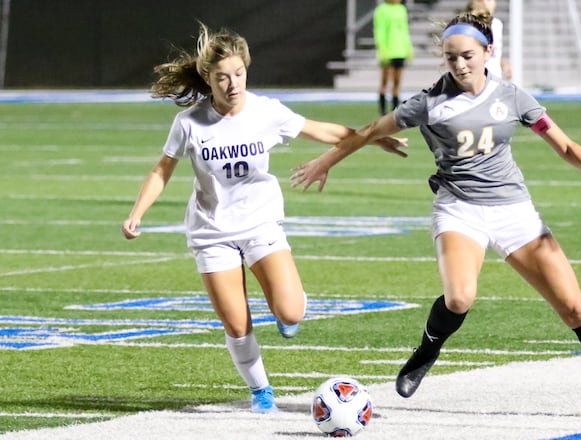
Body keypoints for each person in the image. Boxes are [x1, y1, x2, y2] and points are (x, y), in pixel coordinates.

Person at [290, 11, 581, 421]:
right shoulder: (429, 102)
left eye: (467, 55)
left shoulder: (511, 96)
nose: (459, 64)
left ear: (488, 51)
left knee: (575, 309)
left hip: (514, 211)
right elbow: (368, 129)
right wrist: (327, 161)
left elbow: (561, 142)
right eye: (450, 56)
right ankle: (427, 351)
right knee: (459, 297)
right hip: (459, 209)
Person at [121, 23, 406, 414]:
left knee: (290, 312)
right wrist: (137, 214)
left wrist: (370, 136)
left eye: (239, 74)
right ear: (209, 79)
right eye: (222, 77)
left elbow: (321, 130)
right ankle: (261, 391)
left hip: (260, 224)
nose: (233, 83)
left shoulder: (266, 111)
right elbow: (162, 169)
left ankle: (289, 312)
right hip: (212, 232)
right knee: (237, 325)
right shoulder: (190, 123)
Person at [374, 0, 414, 115]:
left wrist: (408, 48)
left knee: (397, 82)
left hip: (400, 51)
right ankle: (382, 111)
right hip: (388, 51)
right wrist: (382, 49)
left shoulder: (402, 9)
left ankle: (394, 111)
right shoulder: (381, 10)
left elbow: (405, 30)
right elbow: (379, 30)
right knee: (385, 82)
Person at [466, 0, 512, 80]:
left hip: (495, 78)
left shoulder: (497, 24)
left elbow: (493, 52)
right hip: (476, 80)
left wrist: (503, 64)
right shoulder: (467, 25)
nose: (485, 3)